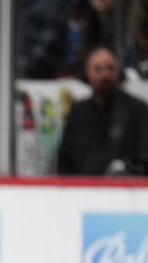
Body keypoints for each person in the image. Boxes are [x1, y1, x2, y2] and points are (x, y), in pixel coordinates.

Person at [57, 45, 148, 175]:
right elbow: (63, 162)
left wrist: (127, 169)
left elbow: (144, 159)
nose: (105, 75)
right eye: (98, 69)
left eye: (110, 69)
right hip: (81, 191)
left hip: (124, 191)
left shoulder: (137, 109)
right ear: (87, 73)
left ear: (118, 72)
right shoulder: (78, 112)